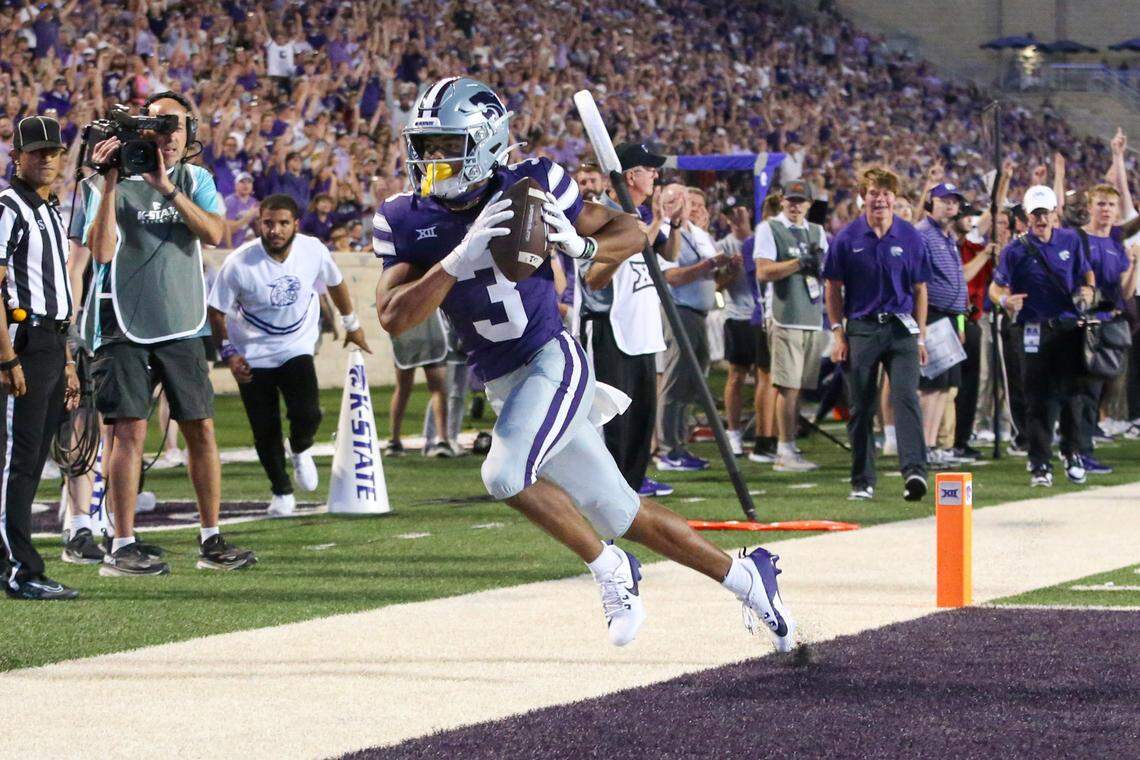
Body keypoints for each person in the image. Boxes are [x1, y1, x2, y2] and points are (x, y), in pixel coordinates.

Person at [374, 77, 795, 651]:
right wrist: (456, 260)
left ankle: (609, 567)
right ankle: (748, 580)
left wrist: (583, 247)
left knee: (503, 474)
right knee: (623, 513)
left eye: (448, 145)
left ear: (487, 142)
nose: (432, 159)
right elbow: (393, 316)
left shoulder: (530, 184)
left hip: (551, 360)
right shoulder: (403, 216)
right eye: (425, 145)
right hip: (503, 382)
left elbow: (629, 230)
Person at [85, 91, 255, 574]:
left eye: (176, 126)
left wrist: (166, 188)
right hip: (122, 321)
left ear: (189, 132)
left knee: (201, 426)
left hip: (182, 319)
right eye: (158, 126)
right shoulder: (109, 180)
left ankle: (211, 537)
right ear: (141, 131)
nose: (168, 136)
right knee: (128, 432)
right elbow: (101, 252)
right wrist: (110, 183)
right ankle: (121, 543)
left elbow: (215, 234)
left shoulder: (195, 179)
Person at [208, 194, 370, 516]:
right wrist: (229, 353)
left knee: (308, 412)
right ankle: (281, 491)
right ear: (259, 223)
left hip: (296, 345)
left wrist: (352, 324)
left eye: (283, 223)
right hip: (252, 352)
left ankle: (299, 447)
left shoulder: (313, 250)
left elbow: (336, 282)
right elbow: (216, 311)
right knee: (264, 428)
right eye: (268, 223)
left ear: (296, 224)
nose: (275, 230)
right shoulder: (239, 262)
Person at [0, 115, 82, 599]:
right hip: (24, 341)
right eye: (36, 152)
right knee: (19, 460)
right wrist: (7, 356)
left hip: (50, 341)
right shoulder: (8, 207)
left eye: (53, 152)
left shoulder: (49, 209)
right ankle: (21, 570)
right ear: (17, 157)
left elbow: (57, 294)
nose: (47, 159)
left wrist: (67, 359)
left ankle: (10, 563)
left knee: (29, 460)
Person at [823, 165, 930, 502]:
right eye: (873, 193)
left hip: (901, 328)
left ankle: (915, 472)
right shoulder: (846, 238)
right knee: (861, 406)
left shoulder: (910, 236)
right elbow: (832, 287)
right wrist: (838, 334)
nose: (880, 199)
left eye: (886, 193)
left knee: (906, 397)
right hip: (862, 328)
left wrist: (921, 337)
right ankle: (862, 480)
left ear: (894, 198)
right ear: (863, 197)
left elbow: (920, 289)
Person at [576, 143, 676, 498]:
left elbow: (668, 253)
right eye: (650, 170)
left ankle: (633, 485)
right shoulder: (600, 216)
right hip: (610, 325)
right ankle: (608, 487)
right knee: (612, 417)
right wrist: (628, 243)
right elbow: (593, 279)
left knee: (642, 415)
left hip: (641, 328)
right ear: (631, 176)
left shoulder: (639, 216)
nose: (656, 176)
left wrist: (666, 220)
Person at [989, 185, 1097, 487]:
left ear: (1054, 213)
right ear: (1026, 215)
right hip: (1032, 329)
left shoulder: (1070, 240)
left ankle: (1072, 452)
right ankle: (1039, 462)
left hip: (1068, 327)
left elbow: (1086, 272)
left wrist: (1088, 289)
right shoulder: (1014, 250)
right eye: (1035, 213)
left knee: (1073, 394)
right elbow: (995, 288)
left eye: (1045, 212)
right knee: (1037, 398)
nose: (1041, 219)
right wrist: (1005, 301)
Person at [1063, 183, 1139, 475]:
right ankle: (1077, 452)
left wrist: (1135, 264)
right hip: (1082, 323)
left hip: (1107, 323)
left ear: (1117, 211)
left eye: (1110, 205)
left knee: (1096, 390)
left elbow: (1125, 292)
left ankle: (1082, 449)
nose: (1106, 209)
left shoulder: (1116, 243)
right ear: (1090, 207)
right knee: (1081, 390)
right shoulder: (1076, 238)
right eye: (1101, 204)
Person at [656, 188, 734, 471]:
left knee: (692, 382)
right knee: (676, 380)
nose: (680, 206)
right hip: (679, 310)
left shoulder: (698, 234)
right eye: (671, 201)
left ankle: (680, 445)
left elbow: (712, 274)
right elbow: (672, 277)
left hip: (700, 313)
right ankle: (668, 450)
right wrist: (709, 264)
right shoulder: (665, 232)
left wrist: (727, 267)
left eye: (684, 201)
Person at [754, 179, 829, 472]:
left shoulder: (817, 231)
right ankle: (784, 451)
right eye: (791, 200)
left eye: (801, 201)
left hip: (811, 316)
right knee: (787, 386)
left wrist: (816, 265)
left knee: (799, 388)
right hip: (784, 314)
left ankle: (790, 446)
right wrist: (798, 263)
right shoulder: (769, 228)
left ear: (809, 204)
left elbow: (824, 269)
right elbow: (763, 271)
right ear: (782, 201)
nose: (795, 206)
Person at [915, 183, 971, 467]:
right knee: (930, 387)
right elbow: (918, 283)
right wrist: (921, 326)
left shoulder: (947, 236)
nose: (950, 205)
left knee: (943, 387)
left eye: (954, 201)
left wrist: (959, 320)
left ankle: (932, 445)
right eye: (943, 200)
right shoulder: (923, 234)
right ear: (930, 202)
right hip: (933, 316)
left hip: (948, 317)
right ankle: (923, 447)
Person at [716, 205, 761, 457]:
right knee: (736, 376)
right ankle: (733, 433)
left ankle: (761, 429)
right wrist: (731, 271)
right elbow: (716, 285)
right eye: (730, 212)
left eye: (740, 210)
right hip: (737, 316)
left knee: (764, 378)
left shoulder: (761, 240)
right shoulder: (723, 245)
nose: (735, 215)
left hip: (762, 315)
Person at [385, 309, 454, 458]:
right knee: (437, 389)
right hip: (430, 329)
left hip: (405, 331)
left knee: (403, 389)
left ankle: (394, 441)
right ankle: (442, 440)